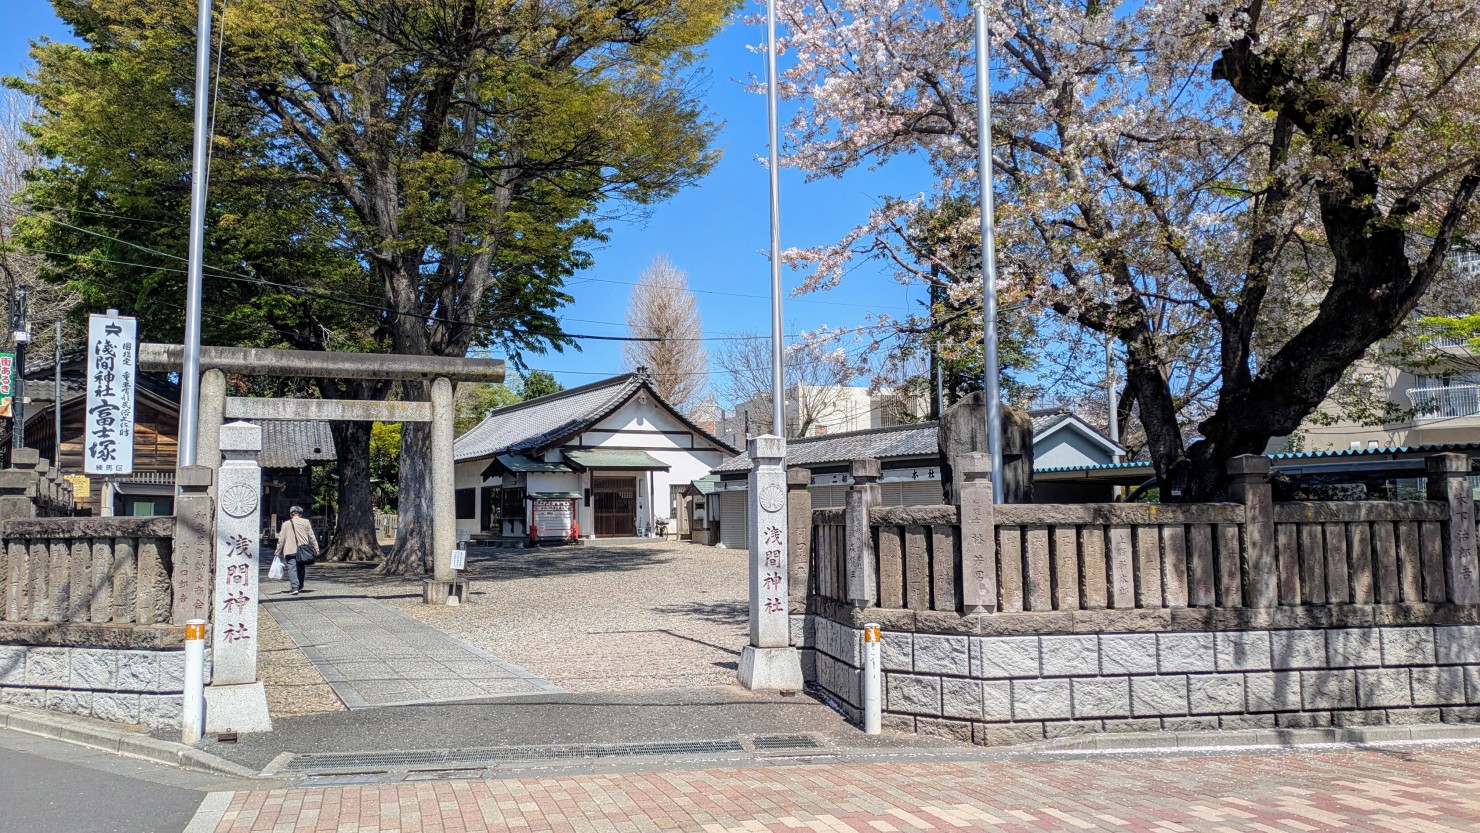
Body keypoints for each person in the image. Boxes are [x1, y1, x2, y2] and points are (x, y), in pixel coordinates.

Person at [274, 505, 319, 595]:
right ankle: (300, 585)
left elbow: (281, 539)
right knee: (301, 568)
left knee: (292, 568)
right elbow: (311, 536)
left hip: (289, 550)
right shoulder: (306, 522)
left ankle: (294, 587)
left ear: (291, 514)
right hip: (303, 549)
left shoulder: (285, 524)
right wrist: (316, 548)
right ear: (300, 514)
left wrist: (277, 552)